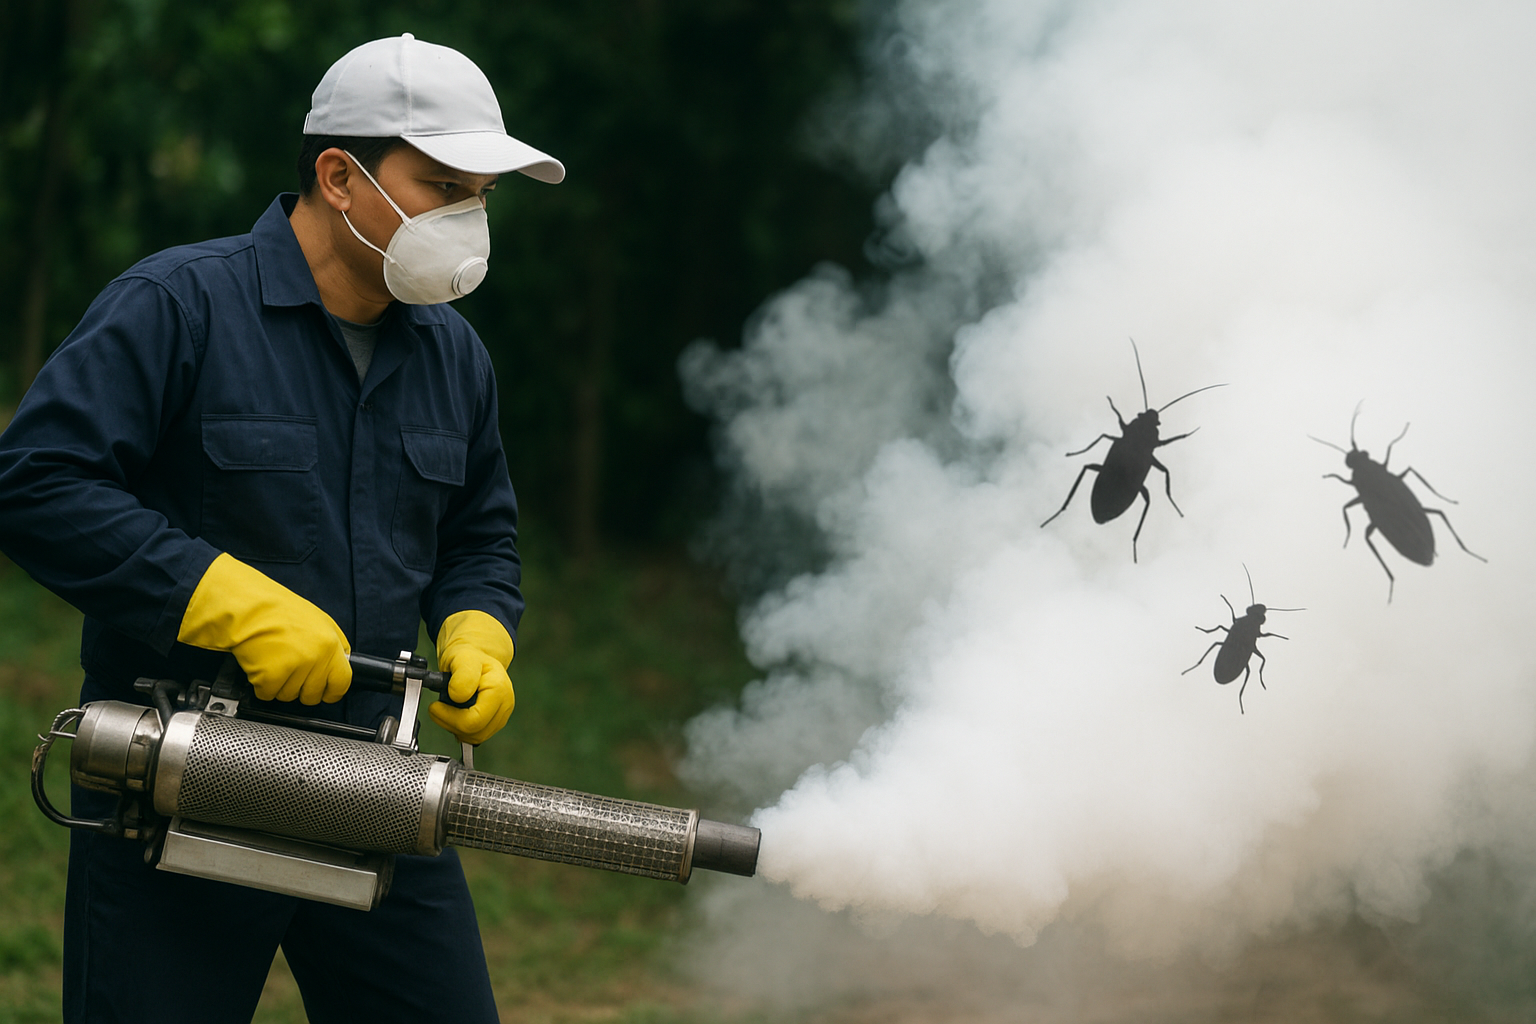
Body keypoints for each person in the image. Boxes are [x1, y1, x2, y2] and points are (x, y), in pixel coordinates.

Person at [0, 33, 563, 1023]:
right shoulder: (177, 307)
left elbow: (479, 534)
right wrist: (220, 600)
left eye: (480, 194)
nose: (467, 218)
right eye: (441, 185)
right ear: (340, 177)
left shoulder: (455, 359)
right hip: (177, 782)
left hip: (376, 787)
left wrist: (479, 626)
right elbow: (37, 483)